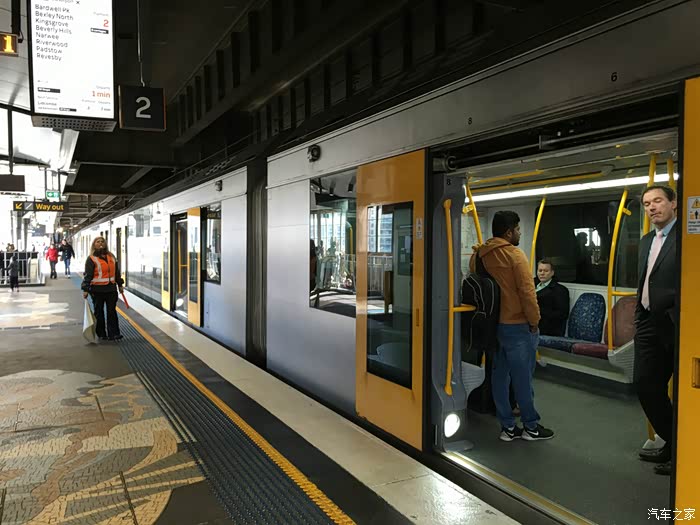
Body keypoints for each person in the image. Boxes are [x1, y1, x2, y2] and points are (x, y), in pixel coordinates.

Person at [470, 211, 554, 442]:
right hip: (517, 325)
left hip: (493, 325)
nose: (519, 233)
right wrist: (534, 321)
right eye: (517, 229)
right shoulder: (515, 255)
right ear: (508, 232)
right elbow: (527, 292)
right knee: (522, 378)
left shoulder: (479, 255)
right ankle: (531, 427)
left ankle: (507, 427)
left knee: (499, 376)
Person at [634, 185, 677, 476]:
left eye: (658, 200)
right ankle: (673, 440)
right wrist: (639, 316)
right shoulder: (646, 241)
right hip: (649, 322)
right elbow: (644, 281)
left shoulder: (688, 237)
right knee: (646, 386)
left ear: (673, 203)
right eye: (647, 203)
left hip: (677, 323)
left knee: (685, 393)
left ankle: (681, 451)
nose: (651, 207)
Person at [81, 237, 124, 341]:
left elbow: (116, 273)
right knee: (99, 312)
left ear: (105, 244)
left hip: (111, 289)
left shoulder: (111, 257)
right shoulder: (91, 259)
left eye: (102, 241)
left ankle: (114, 333)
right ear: (94, 245)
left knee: (112, 312)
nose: (100, 243)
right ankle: (101, 333)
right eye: (98, 242)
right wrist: (85, 289)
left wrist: (120, 285)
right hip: (97, 290)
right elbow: (88, 275)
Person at [535, 260, 570, 336]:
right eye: (540, 270)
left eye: (546, 271)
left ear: (552, 273)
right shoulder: (530, 285)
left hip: (546, 328)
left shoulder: (560, 290)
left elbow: (562, 314)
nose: (542, 273)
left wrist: (538, 311)